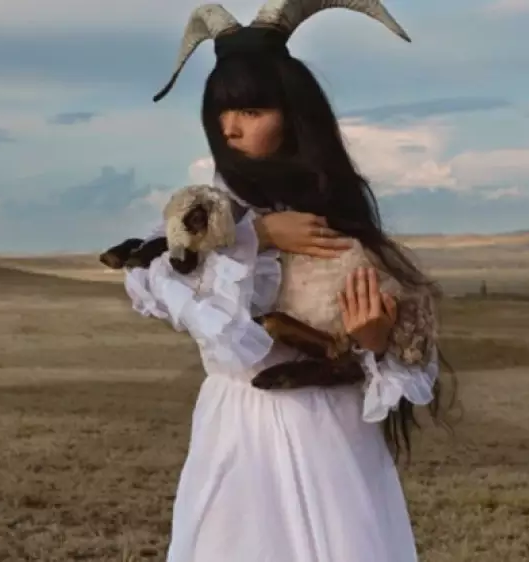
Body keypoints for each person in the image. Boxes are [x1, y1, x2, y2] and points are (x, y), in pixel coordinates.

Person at [122, 1, 449, 560]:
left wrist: (372, 340)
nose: (230, 127)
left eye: (251, 110)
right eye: (221, 111)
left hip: (331, 436)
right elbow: (161, 286)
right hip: (240, 434)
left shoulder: (335, 212)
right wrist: (258, 236)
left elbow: (403, 356)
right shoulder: (209, 214)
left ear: (294, 114)